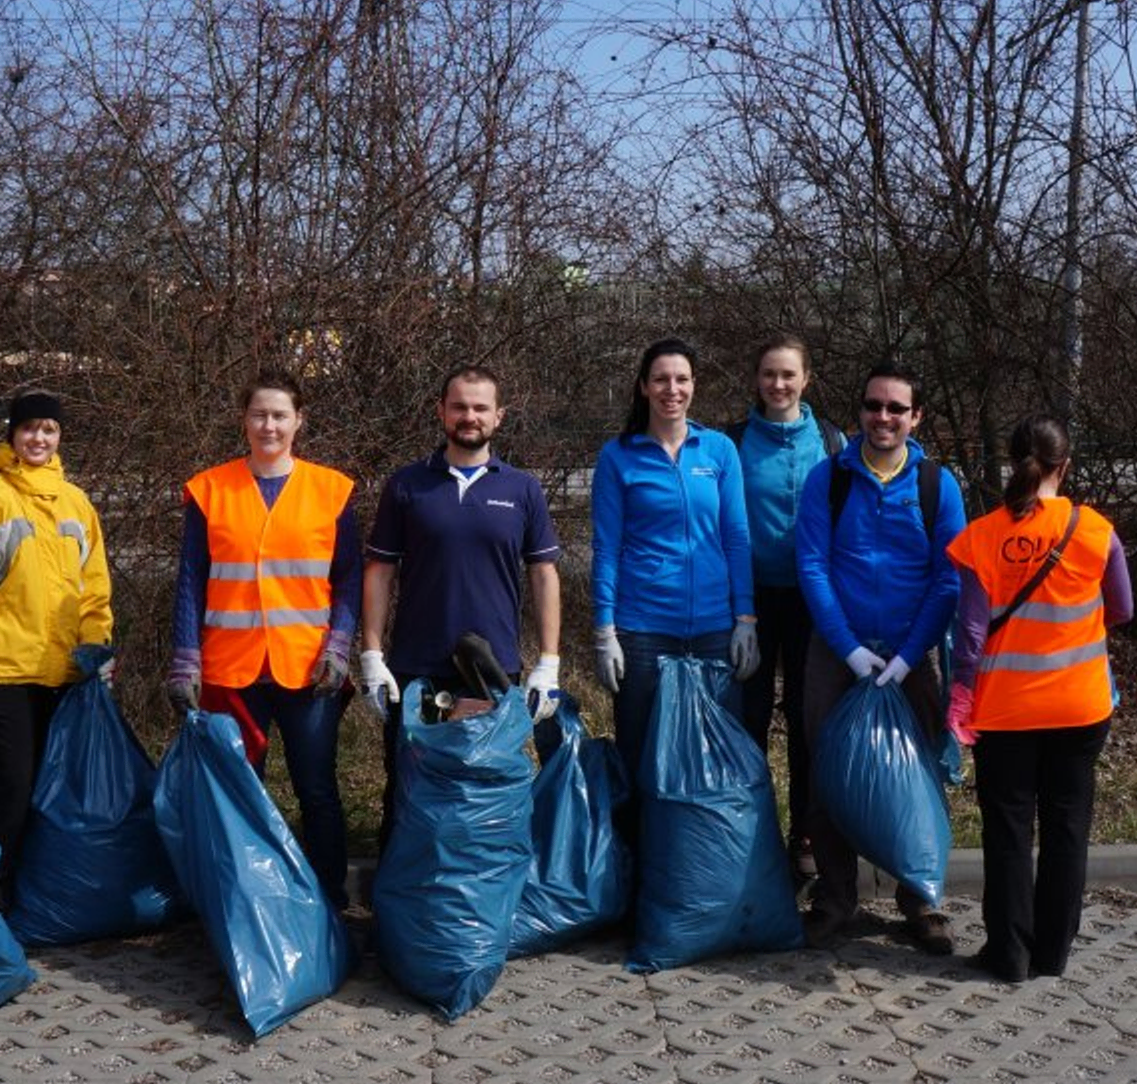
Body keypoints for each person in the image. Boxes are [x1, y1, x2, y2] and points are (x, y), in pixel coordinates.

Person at [945, 413, 1134, 984]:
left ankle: (1009, 954)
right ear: (1064, 465)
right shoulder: (1097, 530)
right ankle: (1054, 953)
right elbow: (1122, 608)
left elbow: (971, 636)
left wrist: (959, 695)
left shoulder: (982, 536)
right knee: (1067, 828)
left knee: (1008, 831)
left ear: (1012, 461)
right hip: (1080, 706)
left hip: (1007, 711)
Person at [167, 370, 363, 912]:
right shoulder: (210, 490)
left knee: (316, 788)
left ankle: (329, 898)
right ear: (243, 421)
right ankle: (244, 901)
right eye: (259, 414)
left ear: (299, 421)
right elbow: (190, 578)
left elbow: (349, 577)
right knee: (238, 792)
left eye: (280, 415)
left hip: (308, 669)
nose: (269, 425)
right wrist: (185, 661)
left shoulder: (331, 491)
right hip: (232, 670)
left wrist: (340, 645)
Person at [794, 363, 968, 952]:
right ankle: (835, 899)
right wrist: (848, 648)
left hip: (911, 655)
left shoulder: (936, 485)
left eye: (897, 408)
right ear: (859, 411)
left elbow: (949, 579)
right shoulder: (829, 479)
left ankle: (921, 900)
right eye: (874, 406)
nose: (883, 418)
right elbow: (812, 565)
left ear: (915, 417)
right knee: (830, 773)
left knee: (917, 773)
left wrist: (909, 654)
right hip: (836, 651)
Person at [359, 367, 563, 843]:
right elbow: (379, 572)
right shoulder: (407, 485)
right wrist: (371, 655)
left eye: (480, 408)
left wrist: (549, 663)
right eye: (459, 406)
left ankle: (479, 907)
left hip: (490, 674)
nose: (469, 416)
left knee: (482, 792)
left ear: (499, 416)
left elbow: (543, 574)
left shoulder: (522, 489)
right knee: (409, 791)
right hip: (416, 672)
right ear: (441, 412)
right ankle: (401, 908)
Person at [0, 391, 115, 912]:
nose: (38, 439)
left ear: (60, 436)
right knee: (13, 788)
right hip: (7, 673)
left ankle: (41, 897)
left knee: (54, 792)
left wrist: (98, 650)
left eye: (48, 430)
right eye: (28, 429)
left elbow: (95, 590)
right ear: (12, 434)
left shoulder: (77, 502)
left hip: (67, 673)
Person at [589, 337, 759, 779]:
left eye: (681, 379)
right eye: (661, 379)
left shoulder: (719, 450)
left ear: (694, 386)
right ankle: (636, 845)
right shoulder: (618, 456)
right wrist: (604, 628)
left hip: (714, 630)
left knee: (717, 752)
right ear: (644, 386)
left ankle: (709, 848)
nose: (672, 389)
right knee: (639, 751)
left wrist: (745, 619)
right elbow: (606, 547)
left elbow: (737, 538)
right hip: (643, 630)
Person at [726, 334, 845, 876]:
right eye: (769, 374)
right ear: (756, 378)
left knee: (807, 720)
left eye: (788, 375)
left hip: (812, 602)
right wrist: (738, 612)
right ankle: (751, 834)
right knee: (748, 720)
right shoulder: (731, 442)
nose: (778, 384)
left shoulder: (831, 440)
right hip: (749, 603)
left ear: (806, 380)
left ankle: (805, 838)